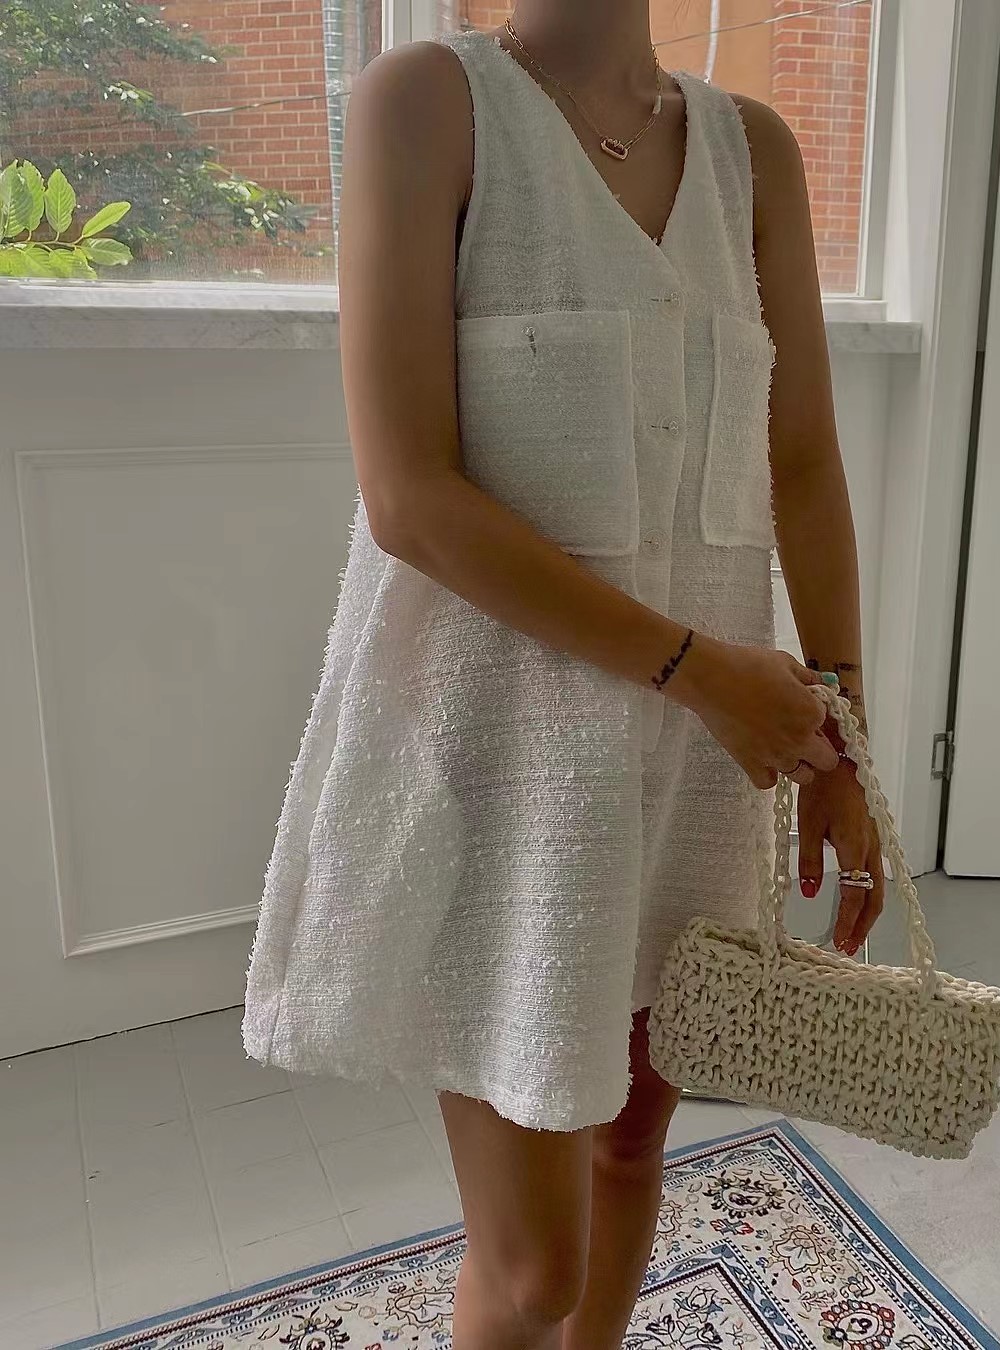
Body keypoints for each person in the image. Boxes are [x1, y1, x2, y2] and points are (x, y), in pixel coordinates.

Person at [242, 2, 885, 1346]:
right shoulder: (430, 104)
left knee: (633, 1151)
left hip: (701, 766)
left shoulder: (752, 153)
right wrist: (699, 672)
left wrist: (843, 743)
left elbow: (803, 459)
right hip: (508, 767)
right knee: (535, 1267)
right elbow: (409, 497)